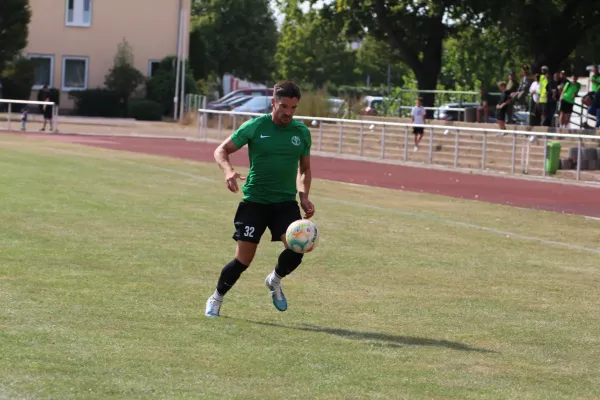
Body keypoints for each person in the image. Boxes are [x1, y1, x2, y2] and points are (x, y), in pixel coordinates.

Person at [205, 80, 315, 318]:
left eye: (293, 108)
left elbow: (305, 169)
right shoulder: (255, 126)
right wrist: (228, 172)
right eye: (284, 106)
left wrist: (304, 196)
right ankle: (216, 297)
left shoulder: (302, 132)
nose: (288, 113)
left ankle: (274, 280)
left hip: (284, 203)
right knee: (244, 259)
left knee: (300, 246)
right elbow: (221, 150)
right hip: (255, 201)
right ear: (273, 102)